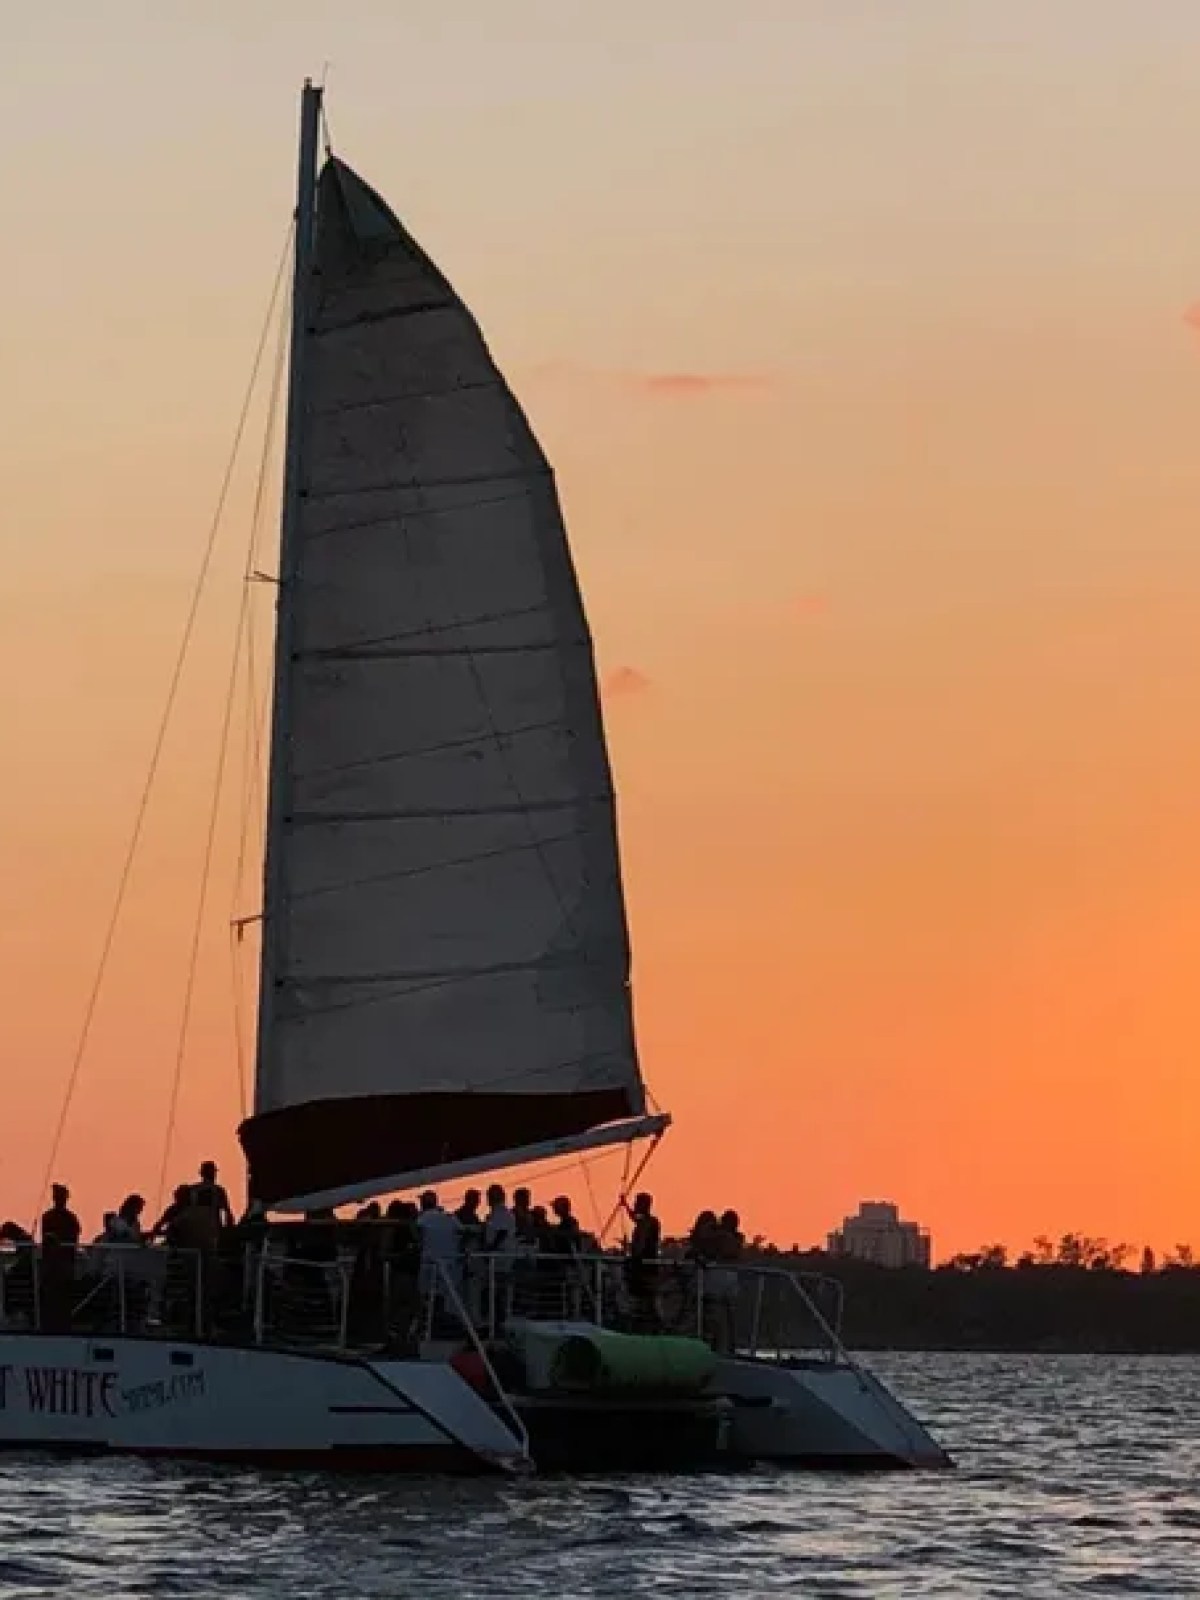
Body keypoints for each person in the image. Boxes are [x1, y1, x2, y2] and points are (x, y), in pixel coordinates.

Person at [40, 1183, 81, 1333]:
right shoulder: (48, 1217)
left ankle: (61, 1323)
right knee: (51, 1296)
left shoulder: (70, 1218)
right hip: (53, 1266)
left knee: (62, 1297)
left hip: (63, 1265)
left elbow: (73, 1240)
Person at [481, 1184, 517, 1329]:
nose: (488, 1198)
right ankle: (495, 1321)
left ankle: (499, 1323)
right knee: (495, 1291)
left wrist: (490, 1250)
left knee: (499, 1292)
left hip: (500, 1259)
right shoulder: (496, 1213)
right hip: (497, 1259)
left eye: (490, 1195)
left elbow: (502, 1233)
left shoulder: (502, 1213)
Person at [624, 1191, 661, 1330]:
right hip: (644, 1267)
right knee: (643, 1301)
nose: (634, 1205)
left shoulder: (649, 1222)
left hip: (645, 1268)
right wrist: (625, 1205)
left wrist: (634, 1257)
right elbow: (633, 1216)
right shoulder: (645, 1221)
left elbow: (641, 1243)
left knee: (647, 1301)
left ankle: (651, 1326)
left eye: (636, 1203)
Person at [416, 1190, 462, 1301]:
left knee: (428, 1295)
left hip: (430, 1263)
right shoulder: (450, 1217)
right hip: (450, 1263)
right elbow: (463, 1233)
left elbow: (418, 1236)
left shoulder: (423, 1218)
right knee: (443, 1295)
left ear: (423, 1203)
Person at [190, 1161, 235, 1232]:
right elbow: (228, 1212)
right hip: (214, 1229)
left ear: (202, 1174)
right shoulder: (219, 1190)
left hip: (196, 1229)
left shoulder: (193, 1190)